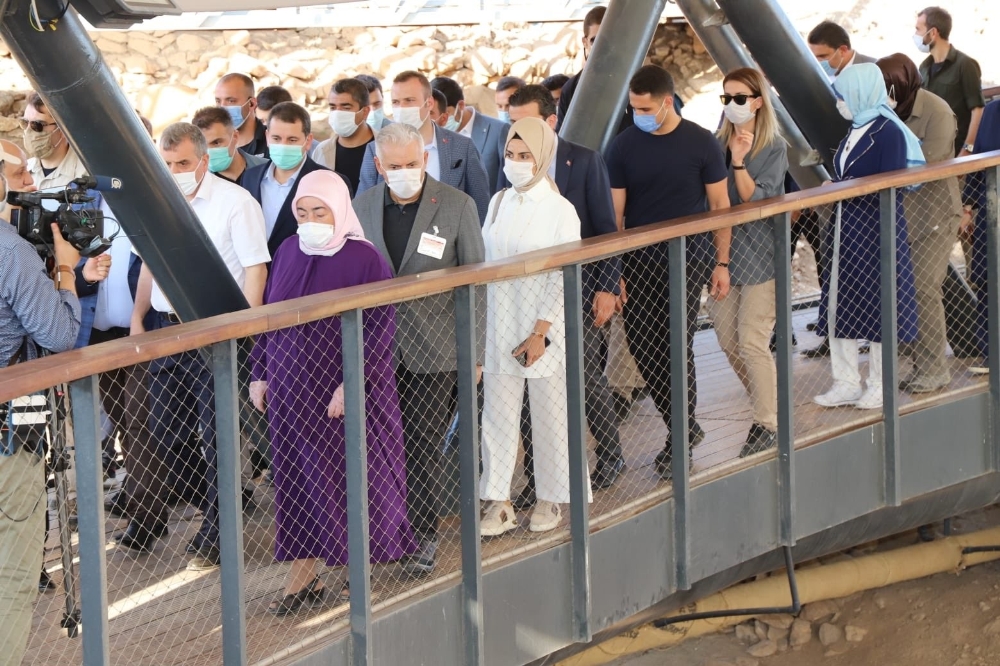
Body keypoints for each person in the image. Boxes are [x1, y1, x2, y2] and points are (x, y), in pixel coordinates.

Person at [249, 169, 415, 614]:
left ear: (339, 209)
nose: (308, 220)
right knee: (297, 484)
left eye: (318, 211)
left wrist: (352, 381)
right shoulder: (287, 249)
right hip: (290, 389)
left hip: (339, 391)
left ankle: (353, 571)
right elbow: (269, 314)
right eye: (301, 212)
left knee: (349, 481)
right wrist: (259, 371)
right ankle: (302, 577)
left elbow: (379, 329)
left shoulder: (365, 259)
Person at [131, 122, 270, 570]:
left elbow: (255, 270)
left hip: (217, 334)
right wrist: (137, 319)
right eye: (167, 164)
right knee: (165, 433)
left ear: (204, 161)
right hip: (166, 331)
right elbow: (151, 266)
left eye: (183, 163)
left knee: (217, 437)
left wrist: (242, 332)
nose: (175, 171)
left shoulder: (236, 203)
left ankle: (216, 533)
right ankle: (227, 500)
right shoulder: (155, 202)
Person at [353, 122, 485, 575]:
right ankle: (381, 533)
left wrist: (476, 353)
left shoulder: (457, 205)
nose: (405, 172)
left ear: (425, 161)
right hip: (374, 348)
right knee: (376, 443)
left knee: (420, 442)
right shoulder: (362, 207)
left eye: (412, 164)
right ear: (379, 166)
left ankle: (422, 536)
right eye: (395, 167)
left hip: (437, 347)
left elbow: (476, 284)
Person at [606, 65, 732, 480]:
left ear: (665, 102)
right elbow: (617, 215)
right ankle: (685, 425)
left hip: (687, 260)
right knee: (644, 347)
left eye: (643, 107)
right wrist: (615, 272)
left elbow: (719, 206)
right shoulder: (623, 147)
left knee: (677, 344)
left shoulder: (701, 143)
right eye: (632, 107)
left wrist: (721, 262)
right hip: (638, 262)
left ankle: (679, 436)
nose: (637, 113)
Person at [504, 84, 625, 497]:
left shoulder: (585, 160)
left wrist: (608, 286)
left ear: (551, 121)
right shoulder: (506, 165)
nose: (517, 132)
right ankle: (539, 477)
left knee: (585, 376)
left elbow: (605, 229)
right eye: (511, 121)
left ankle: (610, 454)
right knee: (530, 385)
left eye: (527, 122)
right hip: (523, 296)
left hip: (577, 288)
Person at [479, 117, 586, 536]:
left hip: (543, 324)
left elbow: (564, 273)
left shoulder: (561, 210)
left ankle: (550, 498)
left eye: (526, 156)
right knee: (498, 417)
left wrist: (543, 330)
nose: (516, 163)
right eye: (510, 155)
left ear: (542, 157)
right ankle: (499, 501)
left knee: (549, 414)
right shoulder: (499, 201)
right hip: (498, 319)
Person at [0, 163, 82, 666]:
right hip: (10, 432)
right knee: (12, 571)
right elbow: (58, 336)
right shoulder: (11, 251)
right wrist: (67, 273)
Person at [813, 64, 923, 410]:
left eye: (844, 95)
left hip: (877, 231)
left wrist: (843, 189)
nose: (840, 102)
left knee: (880, 308)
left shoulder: (887, 130)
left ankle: (879, 383)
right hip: (847, 230)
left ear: (860, 92)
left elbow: (889, 186)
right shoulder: (855, 129)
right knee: (839, 304)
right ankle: (845, 381)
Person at [711, 68, 788, 457]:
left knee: (751, 340)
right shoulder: (716, 141)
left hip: (762, 256)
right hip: (722, 256)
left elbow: (753, 200)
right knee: (727, 340)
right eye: (726, 98)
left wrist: (739, 161)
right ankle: (766, 400)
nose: (732, 105)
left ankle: (767, 421)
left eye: (739, 98)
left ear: (758, 100)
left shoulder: (774, 147)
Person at [877, 53, 963, 393]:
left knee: (923, 288)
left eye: (888, 87)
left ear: (903, 83)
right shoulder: (887, 111)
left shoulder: (937, 111)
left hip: (934, 215)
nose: (884, 93)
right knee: (901, 291)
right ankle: (917, 362)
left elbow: (927, 167)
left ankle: (934, 368)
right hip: (901, 217)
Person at [358, 71, 491, 224]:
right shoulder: (375, 149)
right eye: (396, 102)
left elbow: (480, 208)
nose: (402, 108)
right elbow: (364, 208)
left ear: (429, 103)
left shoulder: (462, 147)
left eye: (409, 100)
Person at [243, 102, 348, 258]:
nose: (283, 146)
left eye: (292, 140)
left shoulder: (330, 182)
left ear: (308, 141)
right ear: (266, 137)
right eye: (276, 138)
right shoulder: (250, 177)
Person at [914, 6, 985, 156]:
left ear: (933, 32)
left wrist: (967, 151)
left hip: (955, 154)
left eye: (918, 29)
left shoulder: (965, 65)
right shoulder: (924, 68)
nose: (915, 35)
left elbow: (977, 110)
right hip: (929, 153)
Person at [963, 99, 1000, 374]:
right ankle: (991, 352)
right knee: (989, 279)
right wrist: (968, 207)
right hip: (993, 206)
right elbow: (981, 160)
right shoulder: (993, 111)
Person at [432, 75, 510, 195]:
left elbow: (507, 181)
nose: (442, 119)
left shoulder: (498, 131)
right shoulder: (433, 135)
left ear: (461, 105)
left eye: (446, 112)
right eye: (434, 113)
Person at [312, 78, 377, 193]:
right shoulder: (321, 151)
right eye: (333, 107)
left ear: (365, 111)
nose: (338, 113)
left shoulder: (386, 147)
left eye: (346, 108)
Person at [21, 92, 88, 201]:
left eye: (37, 125)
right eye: (24, 123)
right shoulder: (22, 172)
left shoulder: (85, 176)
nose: (28, 131)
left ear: (63, 129)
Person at [192, 106, 269, 186]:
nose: (209, 151)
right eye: (203, 146)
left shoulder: (267, 169)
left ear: (235, 137)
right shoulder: (197, 184)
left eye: (216, 142)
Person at [214, 73, 269, 158]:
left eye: (231, 101)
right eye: (218, 101)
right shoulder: (211, 144)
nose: (222, 108)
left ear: (251, 104)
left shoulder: (273, 140)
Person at [807, 20, 877, 81]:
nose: (817, 62)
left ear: (842, 51)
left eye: (822, 56)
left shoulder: (877, 72)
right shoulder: (817, 75)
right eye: (813, 56)